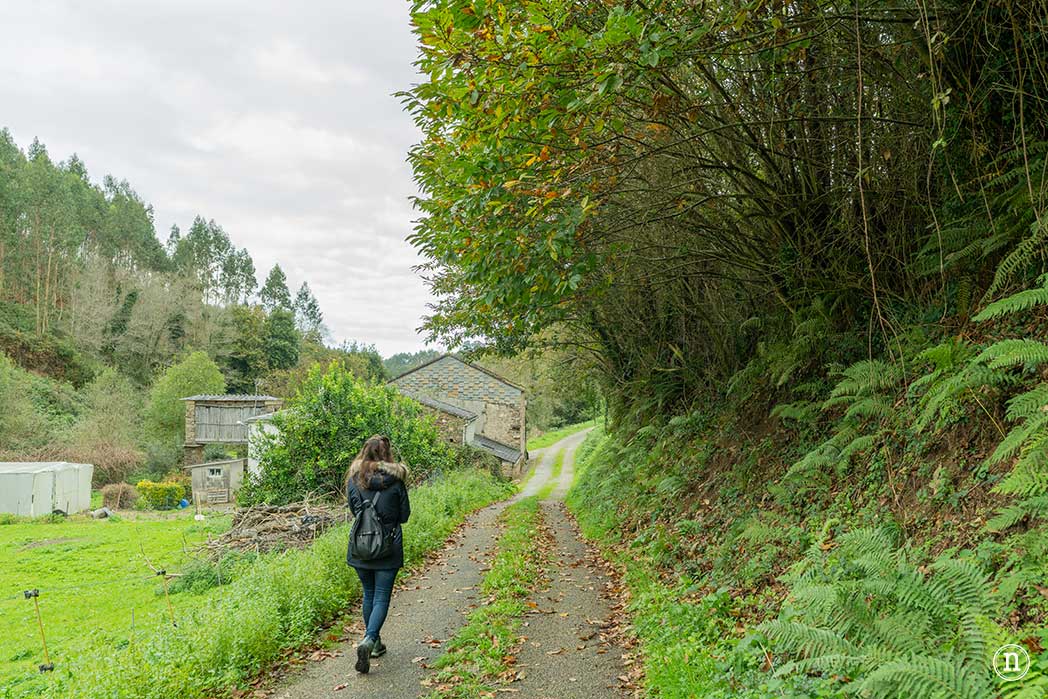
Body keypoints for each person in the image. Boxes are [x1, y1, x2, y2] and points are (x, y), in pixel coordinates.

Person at [346, 435, 411, 674]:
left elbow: (355, 510)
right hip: (388, 546)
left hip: (361, 547)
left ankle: (374, 644)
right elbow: (404, 515)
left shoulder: (353, 479)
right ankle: (369, 639)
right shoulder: (395, 481)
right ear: (387, 455)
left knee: (369, 594)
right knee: (381, 596)